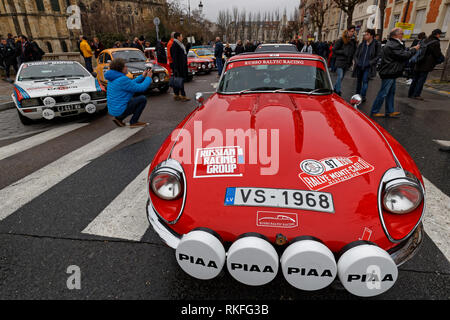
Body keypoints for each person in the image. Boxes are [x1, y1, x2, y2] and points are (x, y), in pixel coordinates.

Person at [370, 28, 420, 118]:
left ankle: (390, 111)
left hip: (391, 72)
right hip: (389, 72)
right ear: (396, 35)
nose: (403, 35)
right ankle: (374, 111)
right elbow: (403, 55)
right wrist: (414, 50)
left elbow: (402, 52)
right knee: (383, 93)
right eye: (401, 33)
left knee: (391, 93)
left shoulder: (394, 43)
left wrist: (411, 49)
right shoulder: (393, 44)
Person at [104, 58, 152, 128]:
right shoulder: (122, 79)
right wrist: (148, 77)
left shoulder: (113, 78)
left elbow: (131, 84)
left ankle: (119, 119)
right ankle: (133, 122)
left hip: (113, 109)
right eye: (125, 66)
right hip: (119, 110)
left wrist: (142, 76)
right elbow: (142, 88)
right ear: (120, 69)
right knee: (142, 99)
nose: (127, 68)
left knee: (132, 100)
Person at [408, 29, 445, 100]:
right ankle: (416, 95)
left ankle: (410, 93)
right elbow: (437, 54)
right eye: (439, 34)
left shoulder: (424, 40)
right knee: (421, 80)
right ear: (437, 34)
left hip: (418, 62)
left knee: (415, 79)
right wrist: (441, 59)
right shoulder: (435, 42)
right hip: (426, 64)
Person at [352, 29, 381, 102]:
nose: (365, 35)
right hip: (359, 66)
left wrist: (370, 63)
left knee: (365, 82)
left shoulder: (376, 44)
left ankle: (362, 96)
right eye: (365, 34)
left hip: (368, 67)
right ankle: (357, 96)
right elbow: (356, 54)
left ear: (371, 36)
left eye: (367, 34)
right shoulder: (362, 44)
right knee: (358, 81)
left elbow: (378, 56)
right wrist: (357, 62)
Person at [332, 26, 357, 96]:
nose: (352, 33)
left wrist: (353, 59)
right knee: (340, 76)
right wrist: (343, 52)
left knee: (341, 78)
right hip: (340, 61)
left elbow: (354, 51)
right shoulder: (342, 39)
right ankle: (337, 91)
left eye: (353, 31)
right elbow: (334, 49)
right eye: (351, 31)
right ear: (348, 31)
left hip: (347, 62)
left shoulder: (353, 41)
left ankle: (334, 89)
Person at [170, 32, 190, 102]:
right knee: (180, 81)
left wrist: (187, 48)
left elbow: (184, 54)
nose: (182, 37)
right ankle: (183, 95)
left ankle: (176, 95)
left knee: (178, 81)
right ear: (178, 37)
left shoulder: (180, 44)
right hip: (179, 66)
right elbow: (174, 57)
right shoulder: (175, 45)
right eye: (181, 36)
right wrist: (175, 68)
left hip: (181, 65)